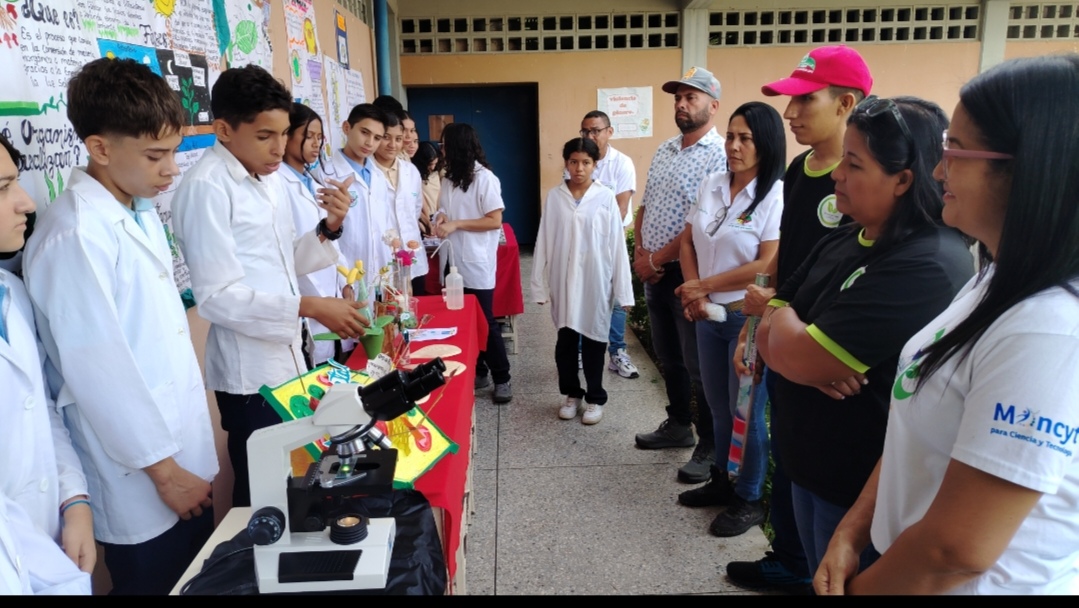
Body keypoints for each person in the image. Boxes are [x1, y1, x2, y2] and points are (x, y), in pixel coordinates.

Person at [816, 54, 1079, 596]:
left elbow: (956, 550)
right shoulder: (994, 276)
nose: (939, 172)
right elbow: (919, 418)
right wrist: (852, 531)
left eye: (954, 152)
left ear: (1030, 167)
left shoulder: (1048, 326)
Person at [756, 96, 974, 580]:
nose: (837, 176)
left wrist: (793, 343)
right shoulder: (849, 235)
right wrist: (791, 341)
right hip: (811, 470)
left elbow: (797, 348)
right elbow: (778, 309)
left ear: (903, 179)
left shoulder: (927, 264)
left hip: (860, 492)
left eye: (853, 164)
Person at [22, 58, 219, 595]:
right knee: (155, 580)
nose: (171, 170)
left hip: (179, 453)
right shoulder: (75, 236)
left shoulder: (138, 209)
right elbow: (98, 371)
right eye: (156, 156)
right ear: (100, 148)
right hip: (142, 476)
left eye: (174, 153)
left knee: (195, 579)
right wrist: (163, 472)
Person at [172, 65, 366, 509]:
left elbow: (281, 262)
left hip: (286, 360)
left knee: (293, 478)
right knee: (263, 491)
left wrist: (329, 227)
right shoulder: (207, 188)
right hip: (249, 375)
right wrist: (311, 307)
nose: (280, 148)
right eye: (265, 136)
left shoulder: (266, 178)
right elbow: (218, 299)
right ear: (223, 129)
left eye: (284, 134)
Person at [725, 44, 872, 593]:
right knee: (787, 447)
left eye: (804, 101)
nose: (790, 115)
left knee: (820, 467)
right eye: (789, 102)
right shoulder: (801, 167)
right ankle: (787, 553)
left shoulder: (871, 184)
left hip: (827, 354)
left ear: (846, 104)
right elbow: (789, 254)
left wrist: (818, 346)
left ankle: (808, 564)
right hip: (784, 339)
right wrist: (760, 314)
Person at [674, 102, 785, 538]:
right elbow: (687, 242)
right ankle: (722, 478)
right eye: (731, 136)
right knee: (718, 405)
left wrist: (705, 285)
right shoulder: (713, 184)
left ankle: (750, 497)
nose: (734, 146)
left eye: (746, 138)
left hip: (745, 316)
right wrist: (693, 288)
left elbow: (768, 262)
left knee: (748, 411)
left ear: (767, 143)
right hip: (706, 311)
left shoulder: (775, 193)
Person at [0, 134, 91, 595]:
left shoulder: (10, 293)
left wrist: (73, 498)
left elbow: (41, 408)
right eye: (3, 188)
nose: (26, 202)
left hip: (46, 529)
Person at [631, 67, 725, 485]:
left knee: (698, 364)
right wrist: (639, 253)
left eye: (692, 97)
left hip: (687, 273)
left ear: (713, 105)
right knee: (670, 357)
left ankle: (709, 444)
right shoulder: (666, 149)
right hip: (653, 270)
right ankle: (677, 424)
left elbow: (695, 226)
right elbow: (646, 205)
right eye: (678, 97)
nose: (682, 104)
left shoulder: (719, 155)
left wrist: (656, 261)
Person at [532, 137, 633, 425]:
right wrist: (539, 285)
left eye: (586, 162)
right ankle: (571, 394)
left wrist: (624, 293)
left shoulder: (604, 197)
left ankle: (595, 398)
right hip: (563, 281)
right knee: (565, 342)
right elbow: (544, 241)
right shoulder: (555, 197)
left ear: (595, 165)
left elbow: (616, 246)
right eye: (574, 162)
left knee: (593, 341)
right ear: (566, 163)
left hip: (594, 281)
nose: (579, 168)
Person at [435, 122, 512, 404]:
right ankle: (479, 371)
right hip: (451, 260)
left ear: (458, 146)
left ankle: (502, 377)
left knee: (484, 322)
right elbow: (444, 209)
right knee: (460, 320)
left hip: (475, 261)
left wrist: (457, 224)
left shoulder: (485, 178)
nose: (441, 150)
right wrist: (441, 218)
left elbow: (494, 220)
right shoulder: (448, 177)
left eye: (445, 145)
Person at [279, 103, 348, 366]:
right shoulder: (279, 185)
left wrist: (345, 283)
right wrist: (322, 302)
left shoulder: (312, 182)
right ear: (287, 135)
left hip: (329, 301)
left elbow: (330, 240)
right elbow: (292, 255)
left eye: (320, 137)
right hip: (308, 305)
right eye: (309, 136)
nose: (316, 144)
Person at [574, 110, 640, 380]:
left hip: (611, 244)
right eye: (585, 131)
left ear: (609, 132)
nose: (590, 136)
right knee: (579, 296)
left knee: (614, 300)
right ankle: (580, 350)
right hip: (581, 245)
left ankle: (617, 352)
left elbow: (621, 208)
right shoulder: (578, 161)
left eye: (595, 131)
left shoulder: (621, 163)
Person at [321, 104, 395, 290]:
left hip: (381, 273)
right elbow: (324, 234)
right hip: (345, 275)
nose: (370, 142)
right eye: (364, 132)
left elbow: (384, 225)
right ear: (347, 128)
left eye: (377, 138)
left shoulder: (378, 176)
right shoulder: (327, 176)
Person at [373, 111, 429, 295]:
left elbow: (415, 209)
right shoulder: (367, 173)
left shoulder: (410, 171)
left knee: (415, 308)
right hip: (381, 259)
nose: (392, 144)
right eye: (386, 138)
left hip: (412, 256)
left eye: (398, 139)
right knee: (388, 314)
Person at [413, 141, 441, 237]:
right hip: (422, 218)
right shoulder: (415, 176)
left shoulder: (437, 174)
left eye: (435, 164)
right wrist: (425, 221)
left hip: (437, 217)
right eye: (430, 164)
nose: (433, 167)